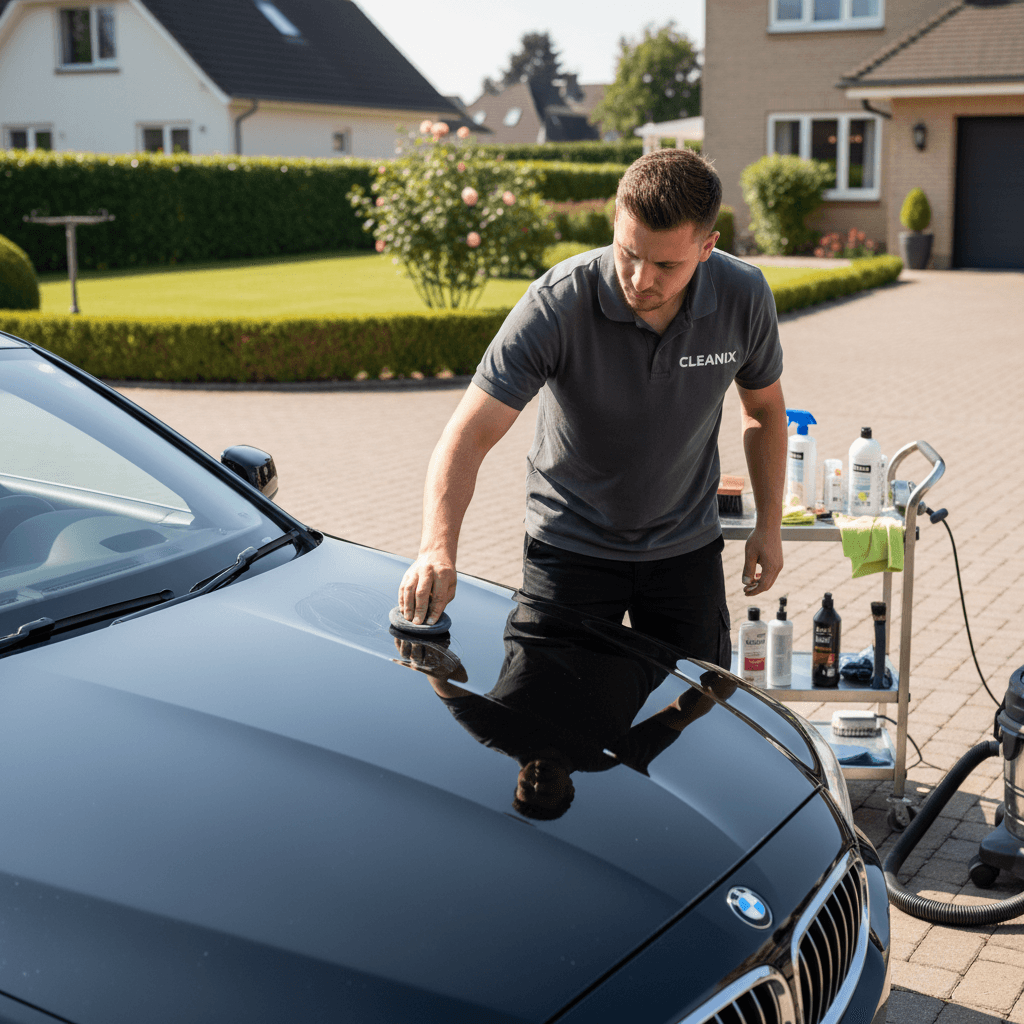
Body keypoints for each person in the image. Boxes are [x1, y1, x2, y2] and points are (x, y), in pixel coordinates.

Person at [398, 147, 787, 668]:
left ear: (707, 247)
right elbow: (469, 433)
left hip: (684, 550)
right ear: (615, 224)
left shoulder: (745, 296)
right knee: (546, 738)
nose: (641, 279)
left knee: (694, 728)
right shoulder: (558, 302)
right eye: (629, 252)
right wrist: (436, 547)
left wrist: (769, 525)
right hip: (569, 548)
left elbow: (763, 410)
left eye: (665, 264)